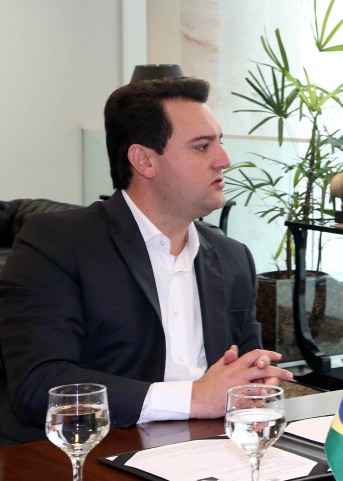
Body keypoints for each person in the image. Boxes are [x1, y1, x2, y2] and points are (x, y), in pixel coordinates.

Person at [0, 77, 292, 445]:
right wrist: (194, 398)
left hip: (209, 451)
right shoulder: (58, 242)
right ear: (143, 161)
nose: (224, 160)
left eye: (220, 142)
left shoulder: (234, 258)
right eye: (202, 147)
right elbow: (38, 385)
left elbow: (243, 373)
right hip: (91, 452)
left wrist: (255, 382)